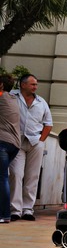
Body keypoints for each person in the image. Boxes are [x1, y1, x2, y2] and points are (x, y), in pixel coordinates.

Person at [9, 74, 53, 221]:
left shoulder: (41, 102)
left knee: (32, 176)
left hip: (35, 142)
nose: (35, 87)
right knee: (16, 174)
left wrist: (41, 141)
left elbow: (48, 124)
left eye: (36, 84)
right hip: (17, 142)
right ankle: (15, 210)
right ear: (22, 85)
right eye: (32, 84)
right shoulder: (12, 97)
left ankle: (28, 209)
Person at [0, 75, 21, 223]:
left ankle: (4, 215)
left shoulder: (2, 99)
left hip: (3, 143)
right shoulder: (13, 99)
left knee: (2, 178)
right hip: (14, 144)